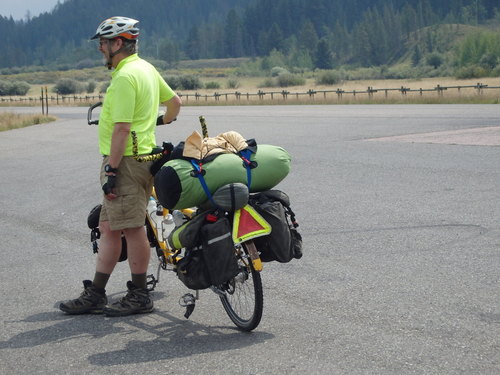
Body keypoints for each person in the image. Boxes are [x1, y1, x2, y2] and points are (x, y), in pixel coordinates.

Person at [60, 16, 182, 316]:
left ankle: (140, 294)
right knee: (108, 227)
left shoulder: (126, 77)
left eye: (103, 43)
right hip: (141, 156)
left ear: (118, 43)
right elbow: (175, 103)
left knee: (132, 228)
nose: (100, 48)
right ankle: (97, 293)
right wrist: (155, 122)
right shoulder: (146, 69)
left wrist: (111, 170)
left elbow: (122, 128)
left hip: (126, 161)